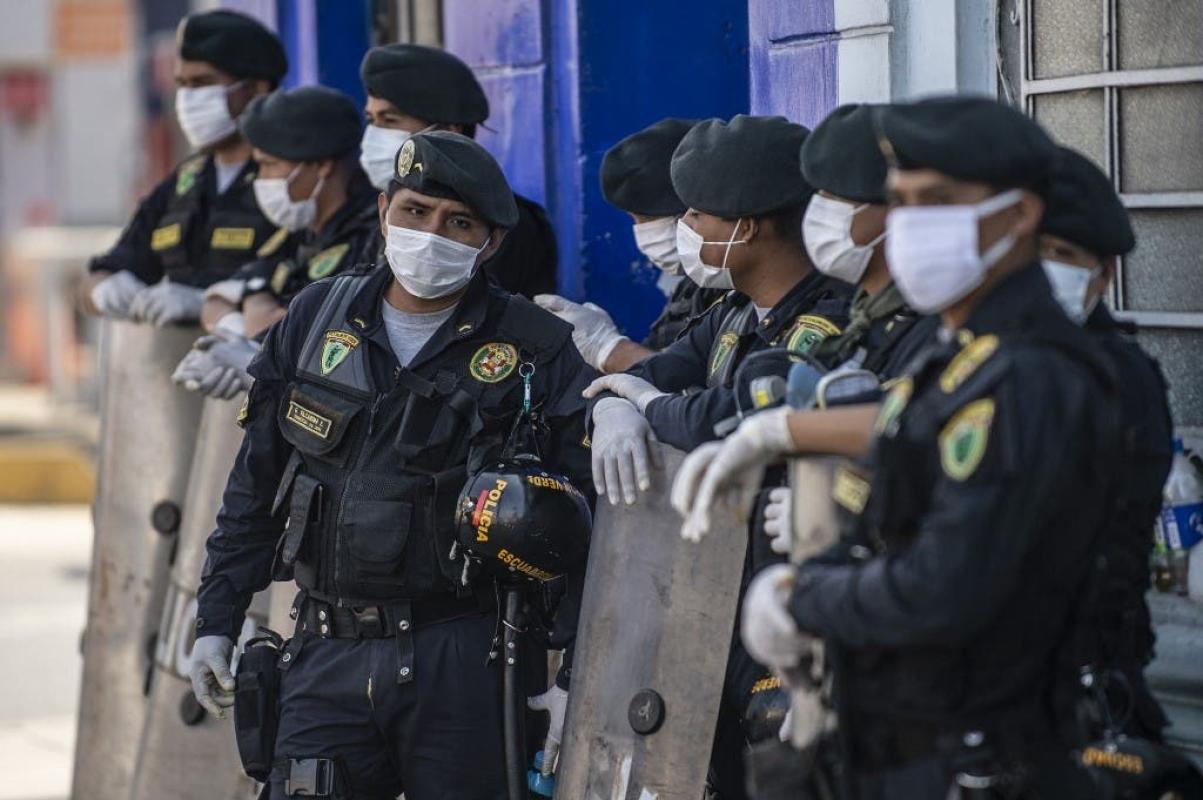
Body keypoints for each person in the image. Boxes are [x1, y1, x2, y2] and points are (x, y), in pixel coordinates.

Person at [694, 97, 1122, 798]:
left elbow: (944, 586)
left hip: (983, 755)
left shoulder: (1029, 375)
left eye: (938, 202)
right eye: (901, 201)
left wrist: (804, 597)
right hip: (902, 741)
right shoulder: (955, 358)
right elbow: (890, 516)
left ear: (1018, 216)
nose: (911, 224)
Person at [187, 131, 595, 799]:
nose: (430, 235)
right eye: (415, 212)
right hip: (327, 649)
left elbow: (584, 525)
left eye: (457, 224)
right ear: (384, 211)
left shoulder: (535, 347)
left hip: (467, 658)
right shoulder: (316, 316)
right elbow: (253, 488)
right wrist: (216, 619)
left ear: (490, 243)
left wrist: (575, 673)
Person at [586, 114, 850, 800]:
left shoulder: (829, 319)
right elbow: (657, 374)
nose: (685, 229)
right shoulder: (731, 312)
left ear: (749, 226)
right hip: (712, 602)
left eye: (696, 214)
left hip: (791, 610)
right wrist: (614, 406)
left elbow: (722, 416)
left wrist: (643, 404)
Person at [1040, 145, 1173, 745]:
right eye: (1031, 252)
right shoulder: (986, 356)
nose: (1043, 271)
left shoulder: (1117, 376)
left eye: (1062, 255)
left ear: (1105, 274)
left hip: (1081, 690)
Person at [175, 86, 380, 399]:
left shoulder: (371, 237)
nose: (261, 178)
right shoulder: (298, 230)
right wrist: (234, 332)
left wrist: (254, 313)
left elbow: (290, 329)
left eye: (269, 164)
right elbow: (216, 300)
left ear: (322, 166)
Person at [83, 9, 286, 323]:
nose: (189, 99)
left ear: (257, 88)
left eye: (203, 83)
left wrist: (208, 304)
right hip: (172, 354)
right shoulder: (185, 182)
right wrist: (104, 289)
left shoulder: (288, 178)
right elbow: (105, 270)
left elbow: (307, 288)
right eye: (183, 84)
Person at [359, 43, 557, 298]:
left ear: (449, 130)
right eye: (372, 120)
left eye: (390, 121)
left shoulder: (504, 223)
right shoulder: (389, 214)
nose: (375, 134)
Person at [534, 118, 726, 373]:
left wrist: (610, 349)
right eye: (633, 219)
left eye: (646, 219)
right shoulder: (692, 286)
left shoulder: (734, 288)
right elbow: (668, 358)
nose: (641, 232)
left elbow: (704, 385)